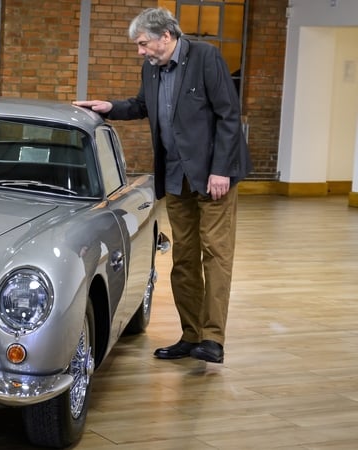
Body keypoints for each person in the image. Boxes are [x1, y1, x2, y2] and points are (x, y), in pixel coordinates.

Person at [74, 7, 252, 363]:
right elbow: (143, 105)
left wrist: (221, 170)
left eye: (143, 43)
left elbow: (229, 115)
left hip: (212, 177)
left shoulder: (206, 58)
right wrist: (110, 107)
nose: (140, 51)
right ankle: (191, 335)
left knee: (215, 255)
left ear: (166, 36)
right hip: (175, 177)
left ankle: (213, 339)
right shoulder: (151, 69)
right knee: (184, 258)